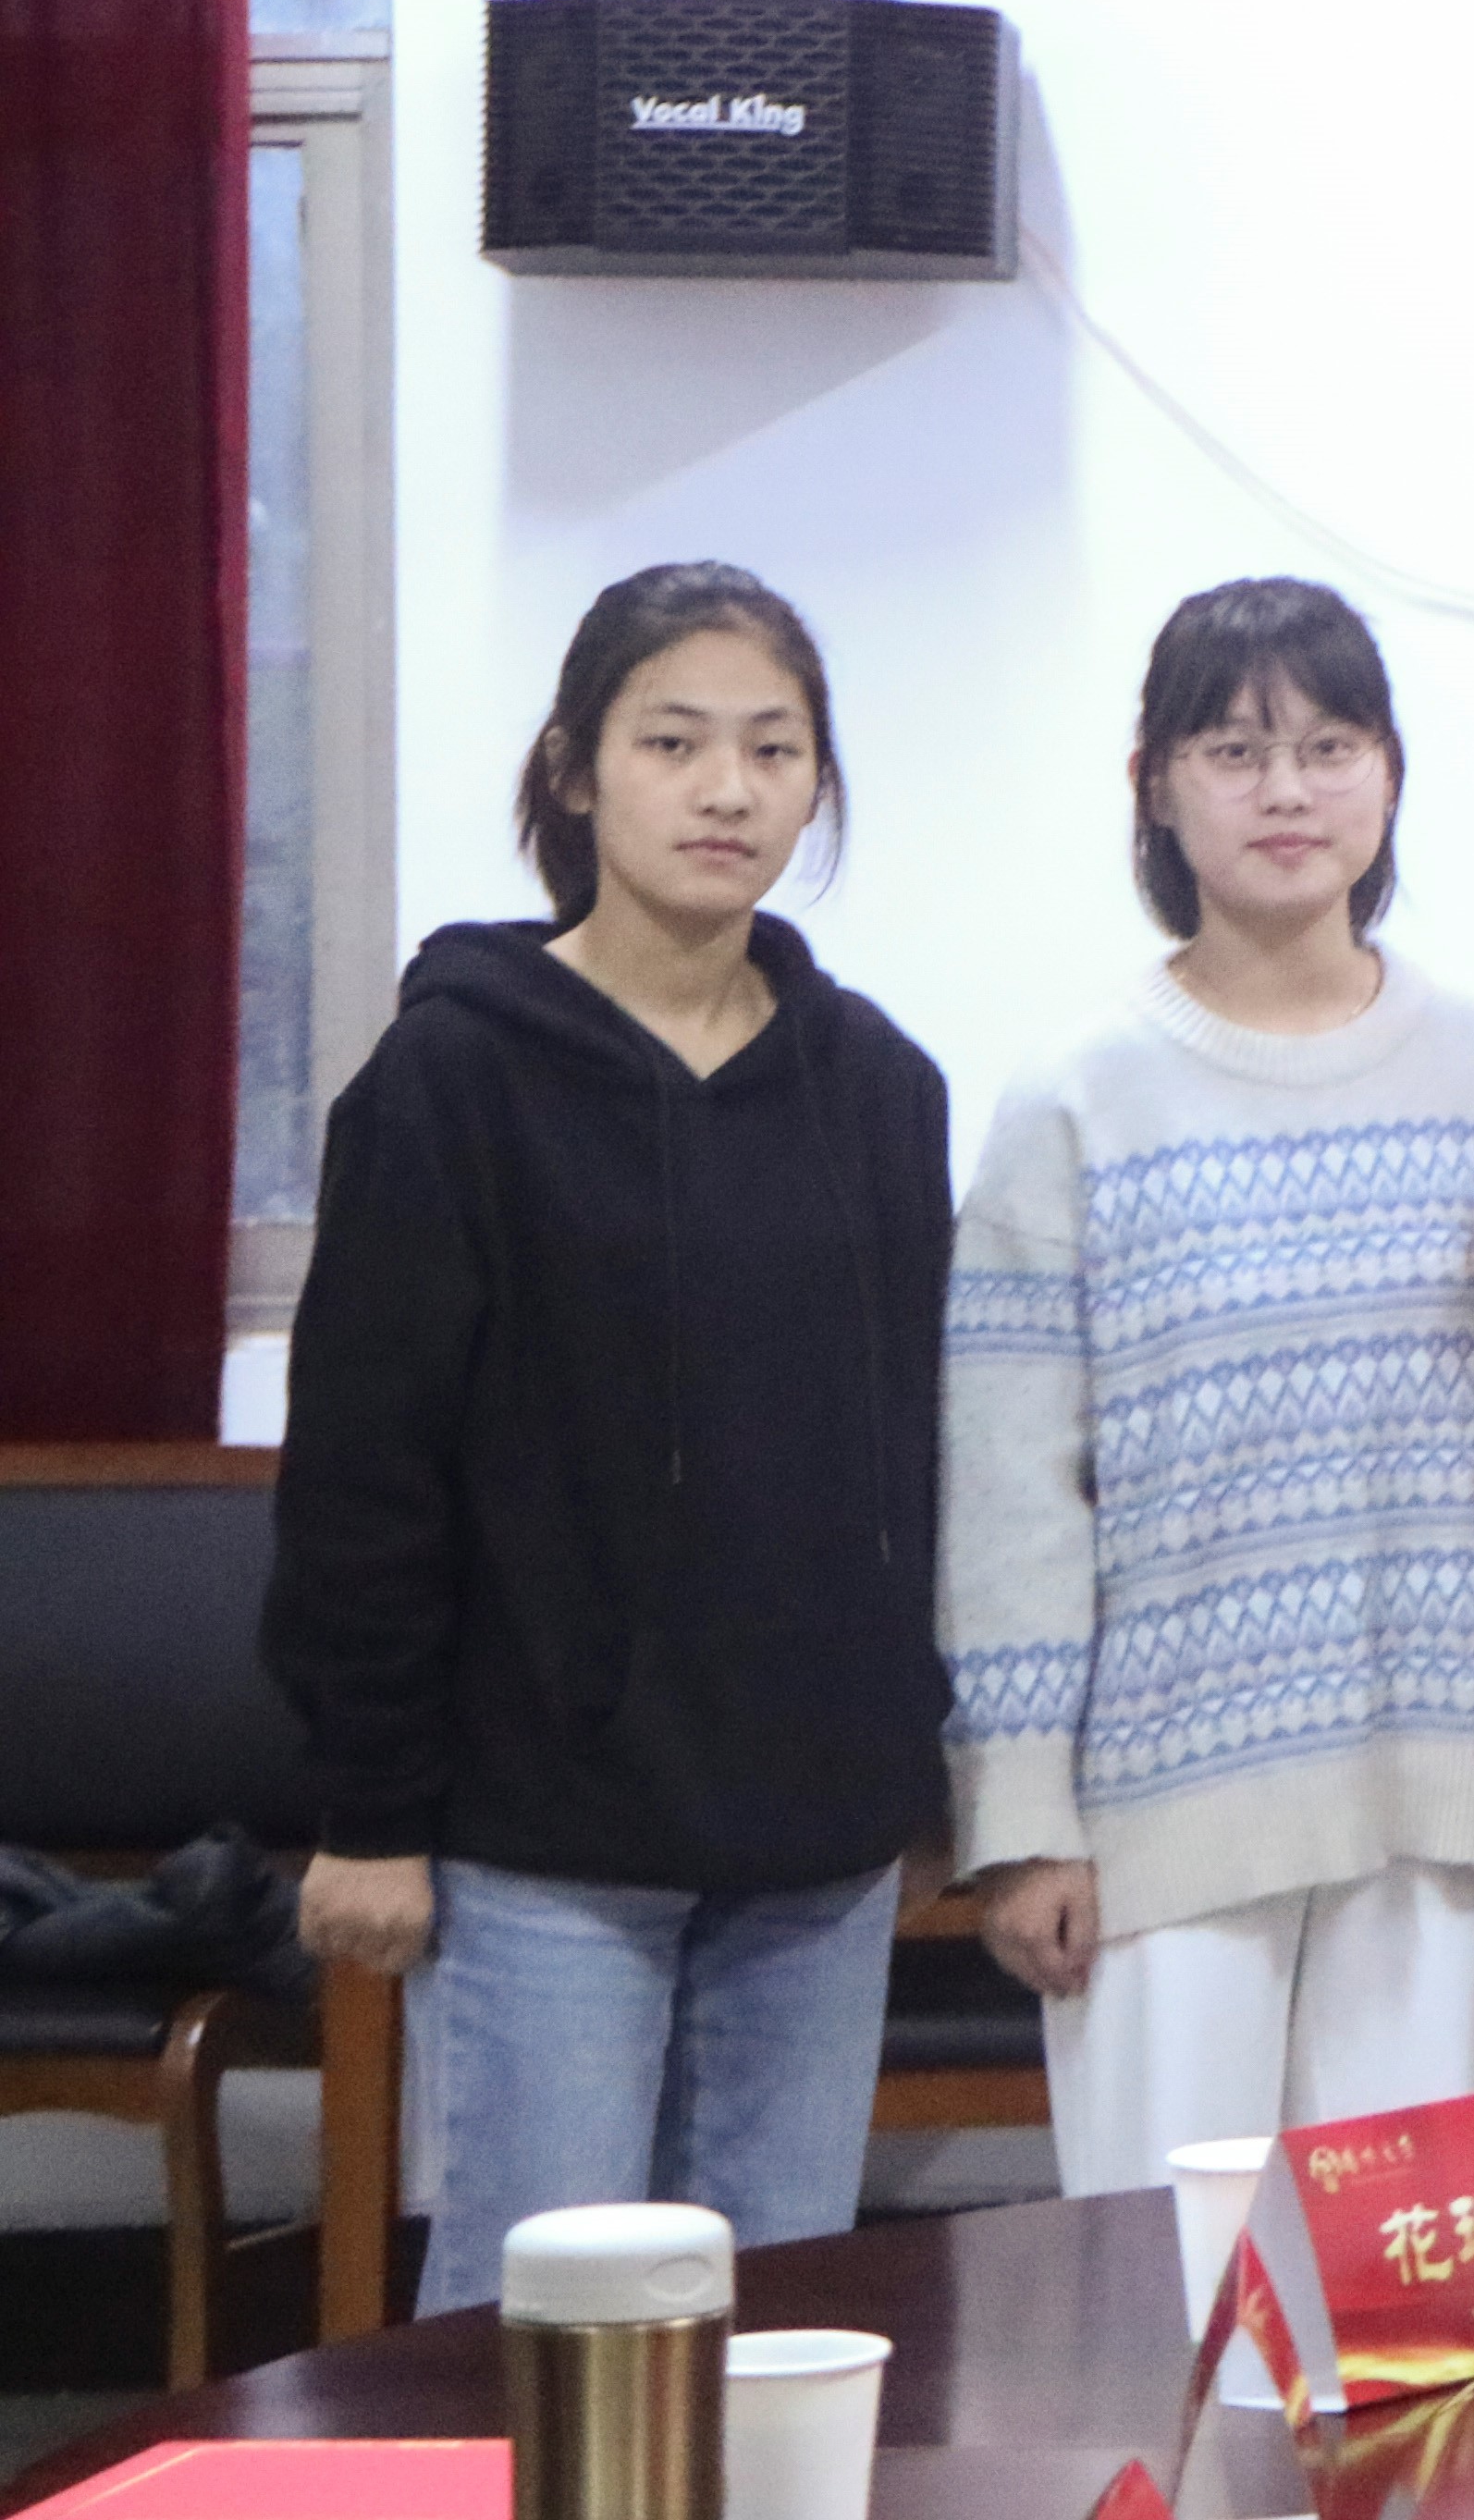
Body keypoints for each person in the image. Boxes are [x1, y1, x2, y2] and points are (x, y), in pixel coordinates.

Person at [266, 564, 956, 2310]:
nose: (729, 791)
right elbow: (365, 1469)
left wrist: (916, 1766)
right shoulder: (452, 1078)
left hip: (815, 1840)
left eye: (774, 750)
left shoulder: (878, 1087)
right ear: (575, 771)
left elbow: (914, 1455)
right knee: (542, 2336)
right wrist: (370, 1810)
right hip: (547, 1834)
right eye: (673, 742)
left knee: (776, 2327)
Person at [937, 578, 1474, 2192]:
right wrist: (1023, 1811)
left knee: (1404, 2276)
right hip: (1161, 1809)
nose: (1287, 791)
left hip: (1441, 1786)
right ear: (1155, 786)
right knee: (1175, 2279)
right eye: (1234, 750)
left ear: (1389, 777)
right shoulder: (1077, 1097)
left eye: (1330, 747)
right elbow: (1010, 1490)